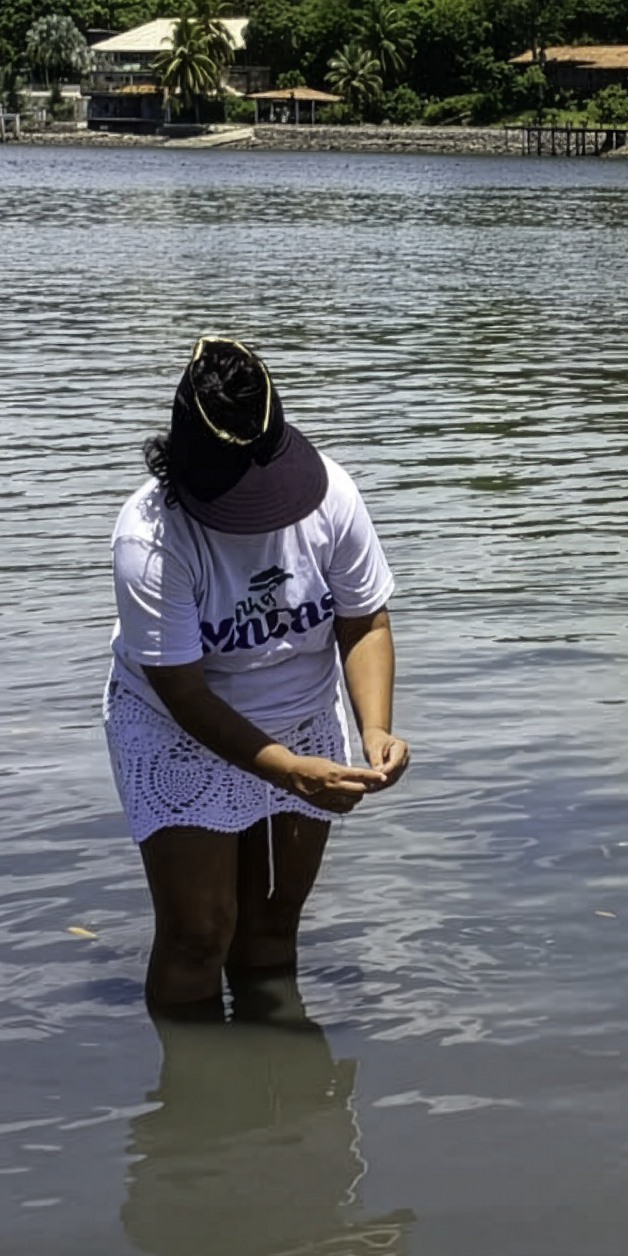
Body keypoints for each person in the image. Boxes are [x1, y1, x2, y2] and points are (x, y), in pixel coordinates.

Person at [106, 335, 408, 1014]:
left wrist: (375, 728)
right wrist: (288, 771)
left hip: (301, 717)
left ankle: (277, 1069)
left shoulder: (333, 496)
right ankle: (193, 1077)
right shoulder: (149, 540)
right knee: (199, 933)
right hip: (180, 728)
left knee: (271, 925)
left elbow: (364, 622)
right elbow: (183, 692)